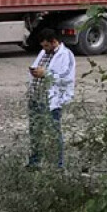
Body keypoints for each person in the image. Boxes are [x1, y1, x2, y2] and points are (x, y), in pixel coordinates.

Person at [27, 28, 76, 168]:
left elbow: (66, 79)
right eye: (42, 46)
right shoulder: (43, 53)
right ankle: (34, 162)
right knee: (35, 131)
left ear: (54, 42)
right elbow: (38, 68)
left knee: (54, 133)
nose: (44, 49)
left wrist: (46, 74)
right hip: (36, 98)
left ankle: (57, 164)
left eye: (46, 45)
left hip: (51, 101)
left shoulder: (66, 55)